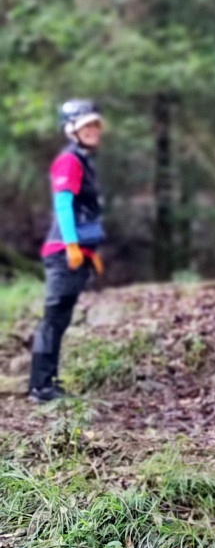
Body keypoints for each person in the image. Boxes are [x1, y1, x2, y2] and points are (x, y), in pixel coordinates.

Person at [29, 100, 107, 404]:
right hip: (63, 252)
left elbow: (84, 211)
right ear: (71, 129)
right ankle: (40, 387)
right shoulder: (69, 160)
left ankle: (47, 382)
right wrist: (73, 246)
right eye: (86, 125)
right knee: (53, 318)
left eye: (95, 125)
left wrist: (89, 251)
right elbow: (63, 204)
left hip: (76, 252)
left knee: (60, 320)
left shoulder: (83, 161)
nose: (93, 130)